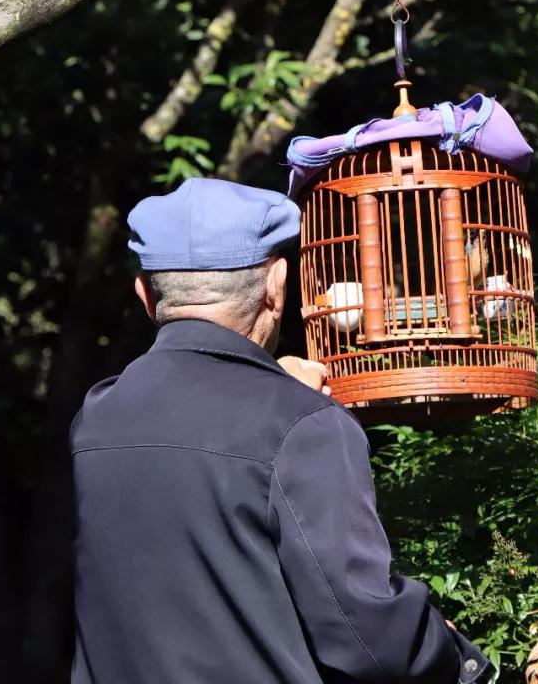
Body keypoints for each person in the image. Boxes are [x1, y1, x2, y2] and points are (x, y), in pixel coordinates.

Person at [70, 178, 492, 684]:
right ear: (276, 284)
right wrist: (458, 658)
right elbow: (368, 641)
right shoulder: (303, 424)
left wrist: (275, 393)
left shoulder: (97, 416)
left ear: (144, 293)